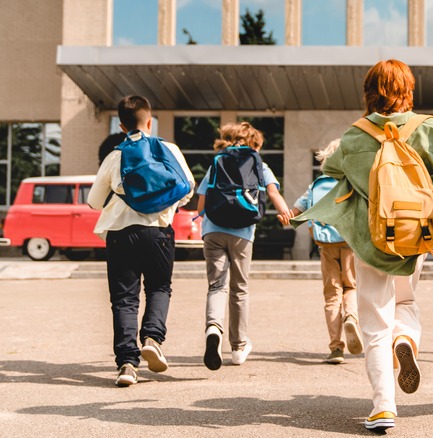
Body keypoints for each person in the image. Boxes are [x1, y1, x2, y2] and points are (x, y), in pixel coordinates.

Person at [289, 59, 433, 433]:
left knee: (374, 322)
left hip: (372, 239)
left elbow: (331, 170)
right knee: (405, 301)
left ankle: (384, 406)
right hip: (416, 236)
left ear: (369, 92)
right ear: (408, 90)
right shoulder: (427, 128)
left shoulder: (356, 135)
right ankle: (405, 339)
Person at [87, 95, 195, 387]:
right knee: (159, 287)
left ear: (122, 125)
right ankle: (152, 338)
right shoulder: (168, 149)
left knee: (124, 299)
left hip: (121, 233)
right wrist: (164, 206)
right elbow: (188, 187)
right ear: (150, 121)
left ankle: (126, 364)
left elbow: (93, 202)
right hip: (159, 231)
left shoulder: (115, 155)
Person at [198, 121, 292, 371]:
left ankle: (213, 329)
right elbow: (273, 193)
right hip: (242, 234)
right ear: (254, 144)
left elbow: (201, 204)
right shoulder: (260, 164)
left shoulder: (217, 162)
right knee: (239, 289)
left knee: (216, 286)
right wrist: (285, 214)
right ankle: (238, 347)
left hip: (213, 231)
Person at [280, 139, 363, 365]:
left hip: (325, 245)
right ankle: (351, 317)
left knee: (332, 294)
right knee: (351, 286)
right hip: (349, 243)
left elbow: (295, 212)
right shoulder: (352, 182)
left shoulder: (316, 185)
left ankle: (336, 348)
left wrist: (286, 216)